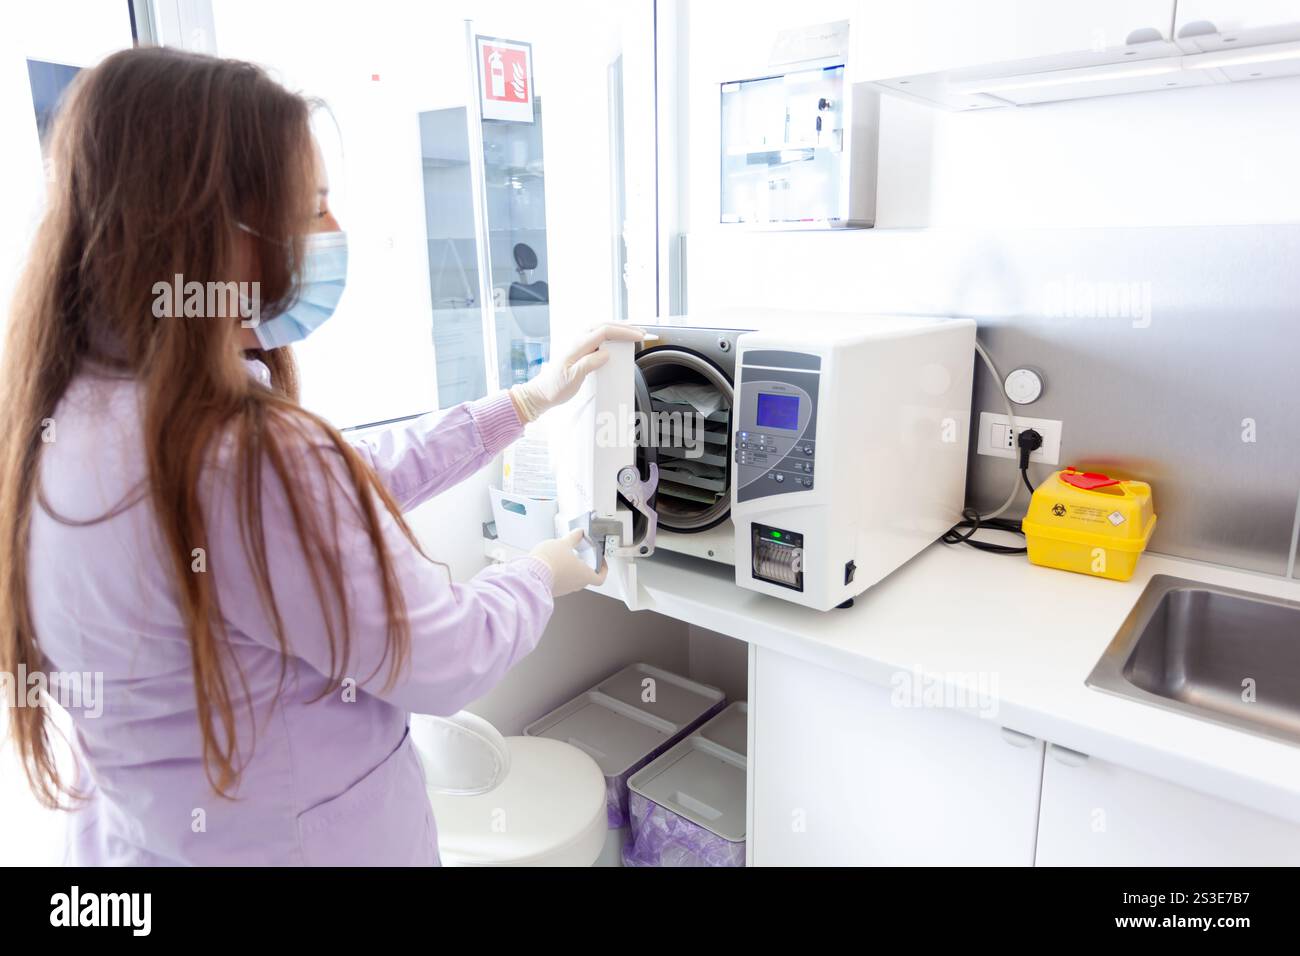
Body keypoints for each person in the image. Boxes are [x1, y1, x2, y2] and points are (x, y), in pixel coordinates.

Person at [0, 46, 643, 865]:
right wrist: (550, 566)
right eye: (310, 209)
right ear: (211, 233)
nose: (331, 237)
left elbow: (340, 483)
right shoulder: (243, 454)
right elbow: (443, 655)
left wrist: (521, 404)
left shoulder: (64, 411)